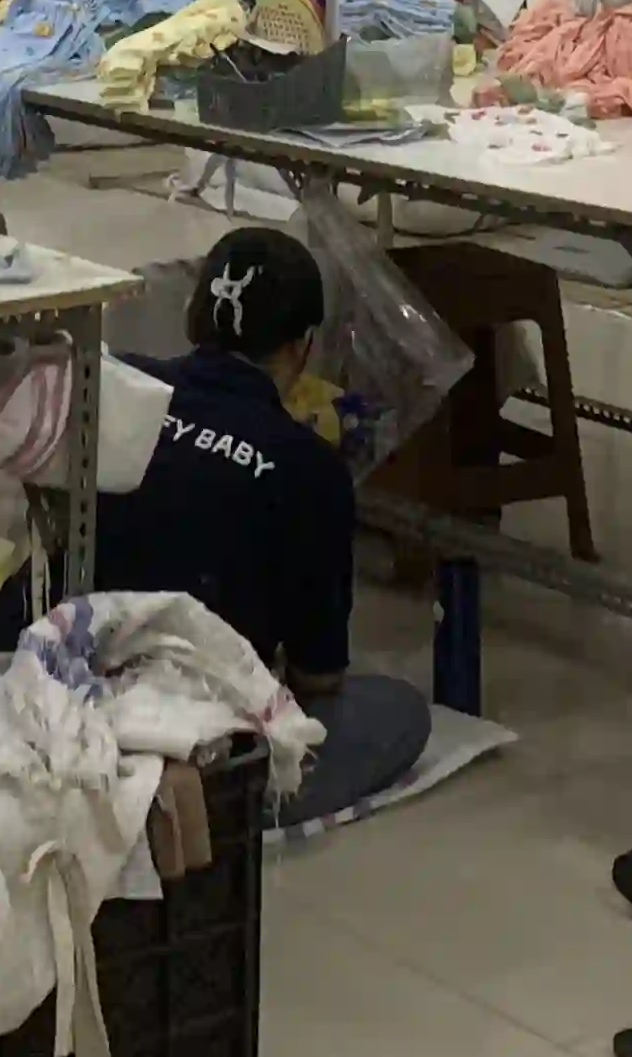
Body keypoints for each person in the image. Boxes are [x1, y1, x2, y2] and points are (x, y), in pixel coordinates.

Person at [95, 224, 432, 826]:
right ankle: (215, 805)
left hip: (72, 674)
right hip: (193, 728)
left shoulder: (121, 385)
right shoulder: (311, 468)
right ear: (303, 346)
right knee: (398, 710)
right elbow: (318, 676)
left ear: (195, 317)